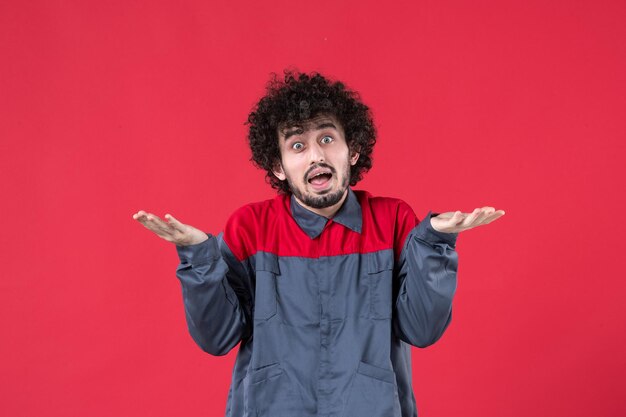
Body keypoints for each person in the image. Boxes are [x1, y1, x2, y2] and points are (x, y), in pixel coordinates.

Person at [133, 70, 505, 417]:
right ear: (278, 166)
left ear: (352, 151)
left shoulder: (393, 221)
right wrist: (200, 255)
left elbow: (422, 329)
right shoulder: (250, 227)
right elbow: (217, 338)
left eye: (327, 139)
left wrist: (435, 242)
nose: (316, 155)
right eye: (297, 145)